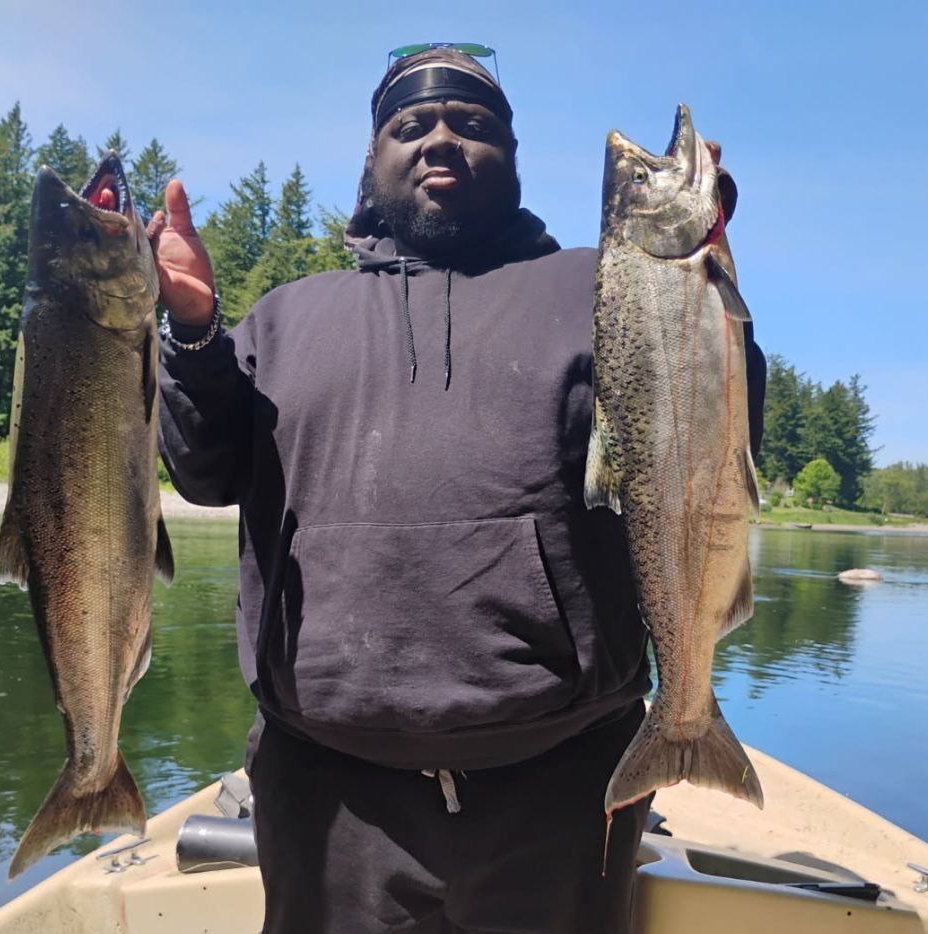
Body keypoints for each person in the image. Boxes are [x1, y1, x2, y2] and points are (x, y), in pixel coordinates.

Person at [148, 46, 766, 934]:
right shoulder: (285, 316)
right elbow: (203, 473)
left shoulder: (603, 284)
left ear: (511, 158)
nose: (441, 139)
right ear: (373, 159)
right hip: (325, 795)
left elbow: (709, 438)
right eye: (412, 125)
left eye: (472, 124)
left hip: (562, 782)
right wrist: (194, 333)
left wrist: (705, 282)